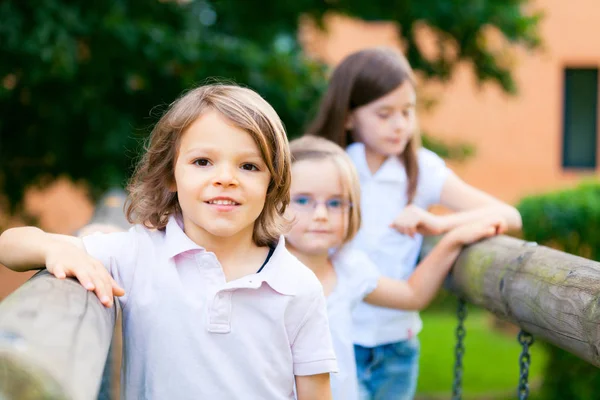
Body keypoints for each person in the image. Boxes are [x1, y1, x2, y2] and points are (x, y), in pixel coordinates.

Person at [0, 84, 338, 400]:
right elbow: (10, 244)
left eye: (249, 166)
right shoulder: (138, 254)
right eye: (202, 162)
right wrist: (54, 248)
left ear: (272, 182)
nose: (225, 178)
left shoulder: (298, 286)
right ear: (170, 175)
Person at [307, 47, 522, 399]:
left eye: (407, 111)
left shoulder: (421, 170)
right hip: (334, 338)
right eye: (384, 113)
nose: (400, 124)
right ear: (348, 117)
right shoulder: (327, 167)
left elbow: (508, 215)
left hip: (398, 344)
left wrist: (437, 225)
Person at [285, 135, 505, 400]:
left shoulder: (348, 269)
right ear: (276, 204)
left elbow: (412, 295)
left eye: (334, 203)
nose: (321, 214)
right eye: (303, 200)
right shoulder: (263, 272)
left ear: (351, 210)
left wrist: (452, 241)